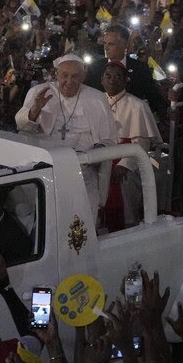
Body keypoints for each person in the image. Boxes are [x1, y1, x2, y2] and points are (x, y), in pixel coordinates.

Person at [16, 55, 116, 212]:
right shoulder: (39, 92)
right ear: (56, 74)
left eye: (75, 76)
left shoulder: (97, 97)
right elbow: (21, 126)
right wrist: (35, 109)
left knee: (82, 218)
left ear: (83, 77)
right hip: (46, 168)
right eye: (64, 75)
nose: (69, 81)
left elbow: (109, 138)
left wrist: (96, 153)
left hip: (83, 171)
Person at [100, 62, 161, 229]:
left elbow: (142, 143)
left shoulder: (137, 105)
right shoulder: (96, 102)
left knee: (125, 186)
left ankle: (127, 230)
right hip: (100, 159)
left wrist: (124, 165)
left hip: (127, 161)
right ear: (101, 80)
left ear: (125, 80)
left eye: (118, 77)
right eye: (108, 76)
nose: (112, 80)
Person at [86, 24, 166, 119]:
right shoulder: (95, 68)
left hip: (130, 121)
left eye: (111, 44)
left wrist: (167, 111)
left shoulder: (140, 68)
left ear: (124, 45)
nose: (106, 48)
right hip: (100, 120)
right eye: (105, 43)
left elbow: (154, 98)